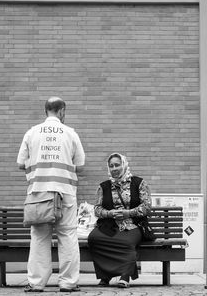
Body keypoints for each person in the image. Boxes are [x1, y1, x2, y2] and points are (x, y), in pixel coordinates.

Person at [17, 97, 85, 293]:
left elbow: (21, 164)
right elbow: (80, 166)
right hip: (65, 193)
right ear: (62, 111)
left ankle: (36, 283)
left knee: (39, 238)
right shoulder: (70, 133)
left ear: (46, 110)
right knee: (68, 236)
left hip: (39, 193)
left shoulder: (32, 132)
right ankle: (68, 283)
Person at [88, 152, 152, 288]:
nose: (114, 168)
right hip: (109, 225)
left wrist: (127, 213)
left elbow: (146, 207)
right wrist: (110, 213)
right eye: (111, 166)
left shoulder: (139, 183)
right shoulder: (103, 186)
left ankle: (125, 276)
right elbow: (97, 209)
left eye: (117, 165)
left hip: (132, 225)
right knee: (94, 238)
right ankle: (105, 276)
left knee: (127, 242)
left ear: (124, 165)